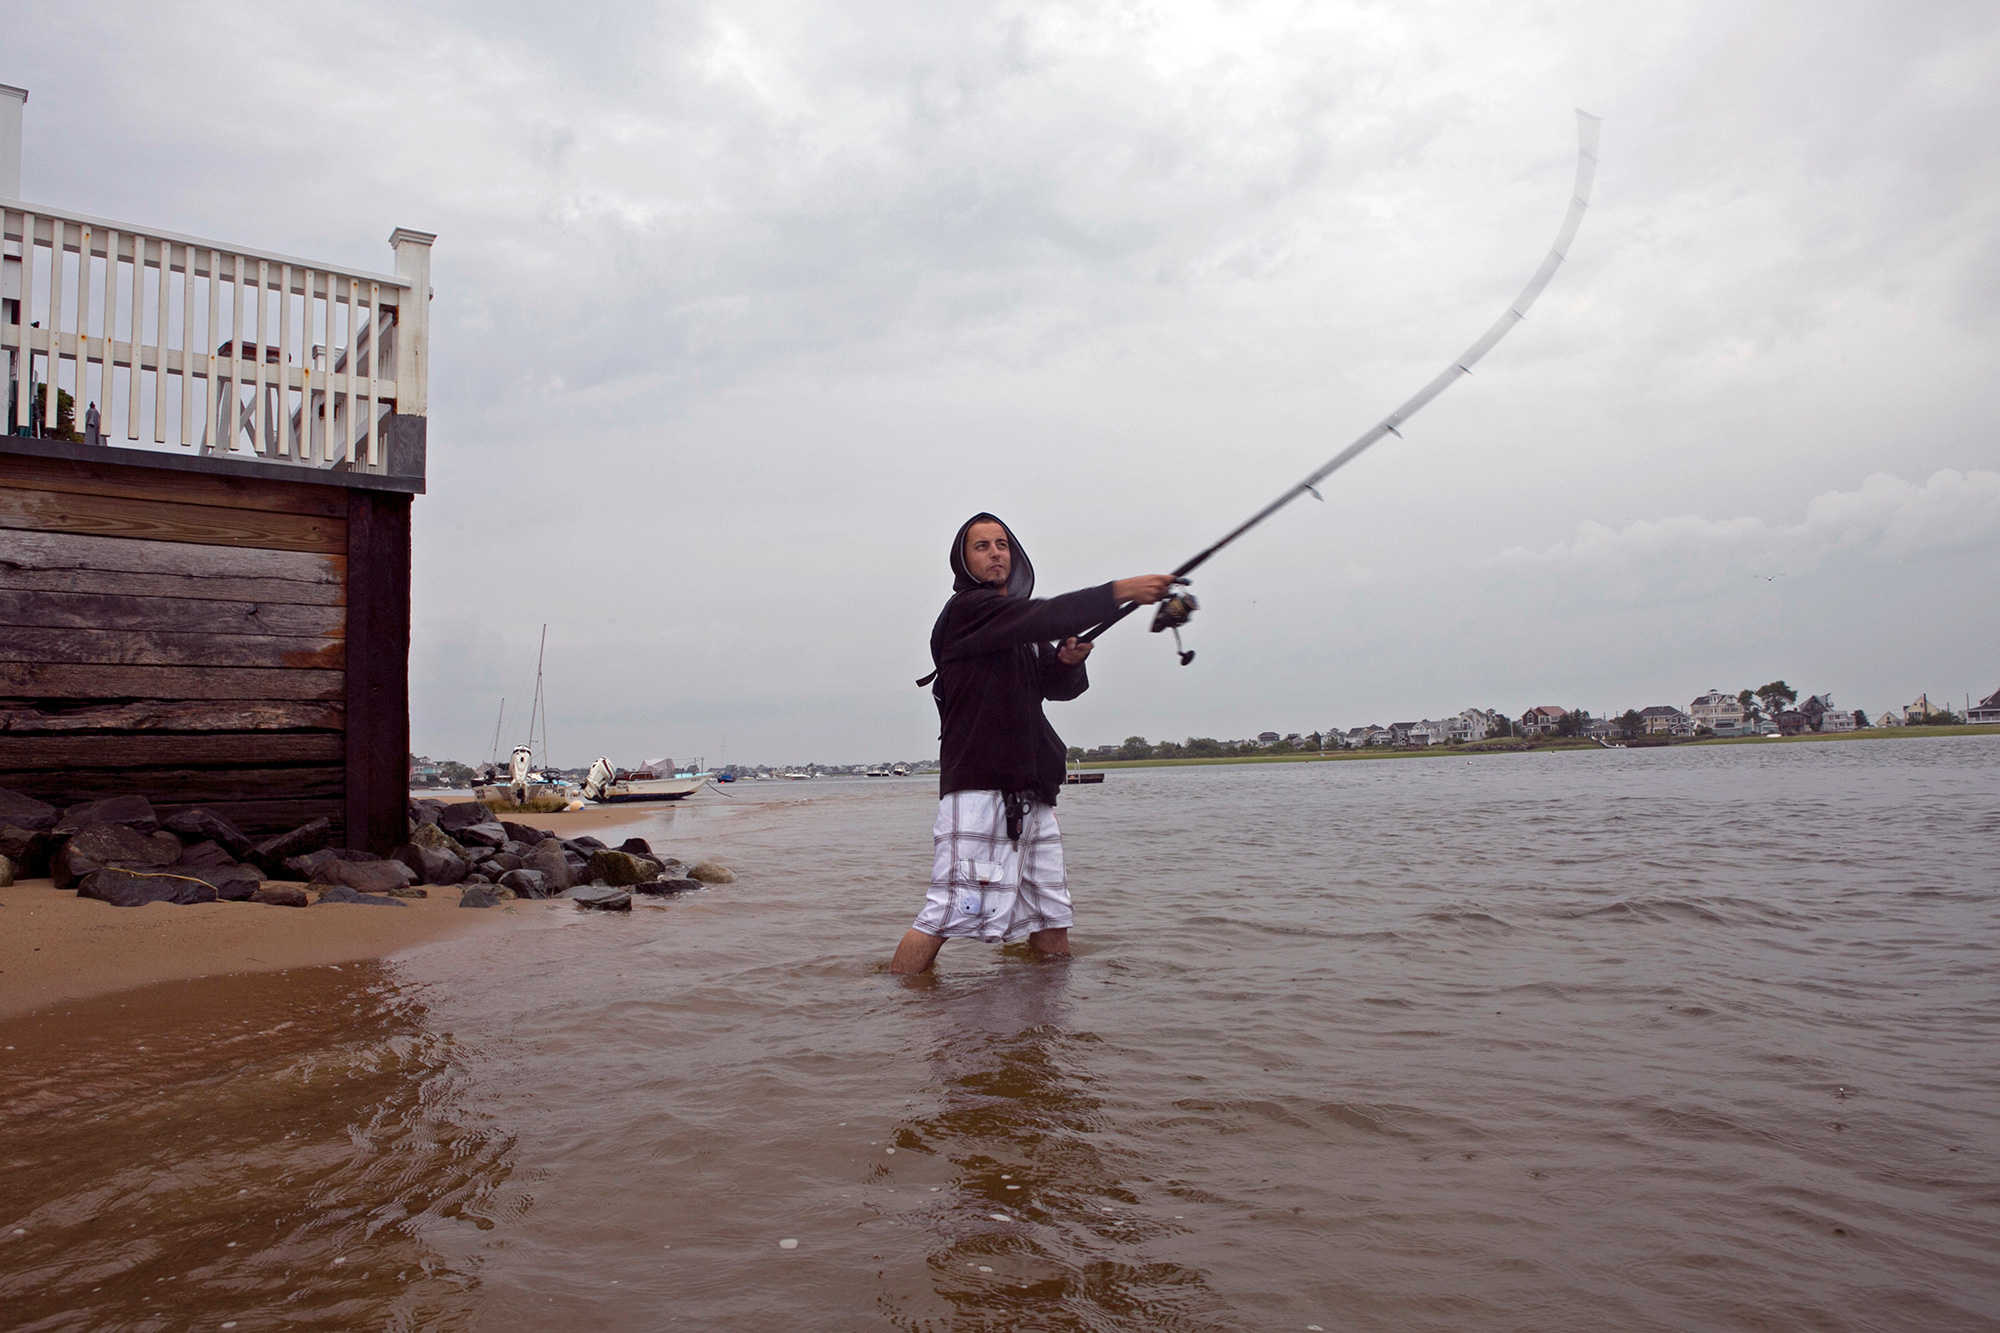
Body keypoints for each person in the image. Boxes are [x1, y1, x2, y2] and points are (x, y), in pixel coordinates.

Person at [888, 513, 1174, 974]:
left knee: (1051, 918)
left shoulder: (1018, 633)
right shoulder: (968, 611)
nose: (995, 552)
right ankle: (892, 1006)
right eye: (981, 546)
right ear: (963, 561)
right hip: (979, 790)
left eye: (1002, 544)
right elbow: (1046, 614)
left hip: (1034, 792)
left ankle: (1045, 1027)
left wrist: (1066, 661)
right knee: (943, 914)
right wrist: (1121, 591)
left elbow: (1056, 689)